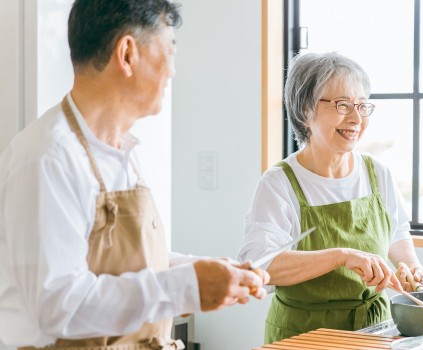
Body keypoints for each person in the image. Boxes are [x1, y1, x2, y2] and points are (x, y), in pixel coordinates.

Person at [0, 1, 268, 349]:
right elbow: (59, 304)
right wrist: (188, 286)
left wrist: (204, 270)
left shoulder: (123, 152)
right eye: (169, 49)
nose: (172, 70)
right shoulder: (47, 156)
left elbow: (121, 264)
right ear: (127, 54)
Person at [238, 52, 423, 343]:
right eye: (342, 105)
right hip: (303, 335)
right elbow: (261, 264)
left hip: (374, 331)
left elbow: (397, 231)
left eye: (362, 106)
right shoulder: (279, 183)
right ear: (305, 110)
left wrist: (410, 268)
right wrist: (341, 256)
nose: (355, 118)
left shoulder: (376, 172)